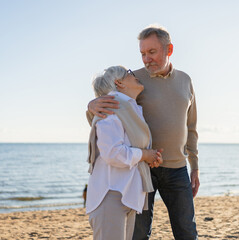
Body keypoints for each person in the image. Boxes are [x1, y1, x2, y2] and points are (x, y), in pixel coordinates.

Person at [87, 25, 200, 240]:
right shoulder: (133, 80)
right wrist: (91, 106)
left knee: (187, 231)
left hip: (177, 169)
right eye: (142, 53)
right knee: (138, 235)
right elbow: (107, 113)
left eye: (152, 52)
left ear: (169, 49)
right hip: (143, 169)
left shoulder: (185, 81)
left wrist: (195, 166)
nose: (146, 59)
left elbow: (191, 127)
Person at [86, 66, 164, 240]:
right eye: (129, 73)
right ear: (119, 82)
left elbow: (129, 147)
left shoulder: (130, 108)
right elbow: (112, 153)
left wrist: (149, 156)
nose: (134, 75)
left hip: (126, 194)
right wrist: (144, 155)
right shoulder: (112, 106)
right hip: (111, 194)